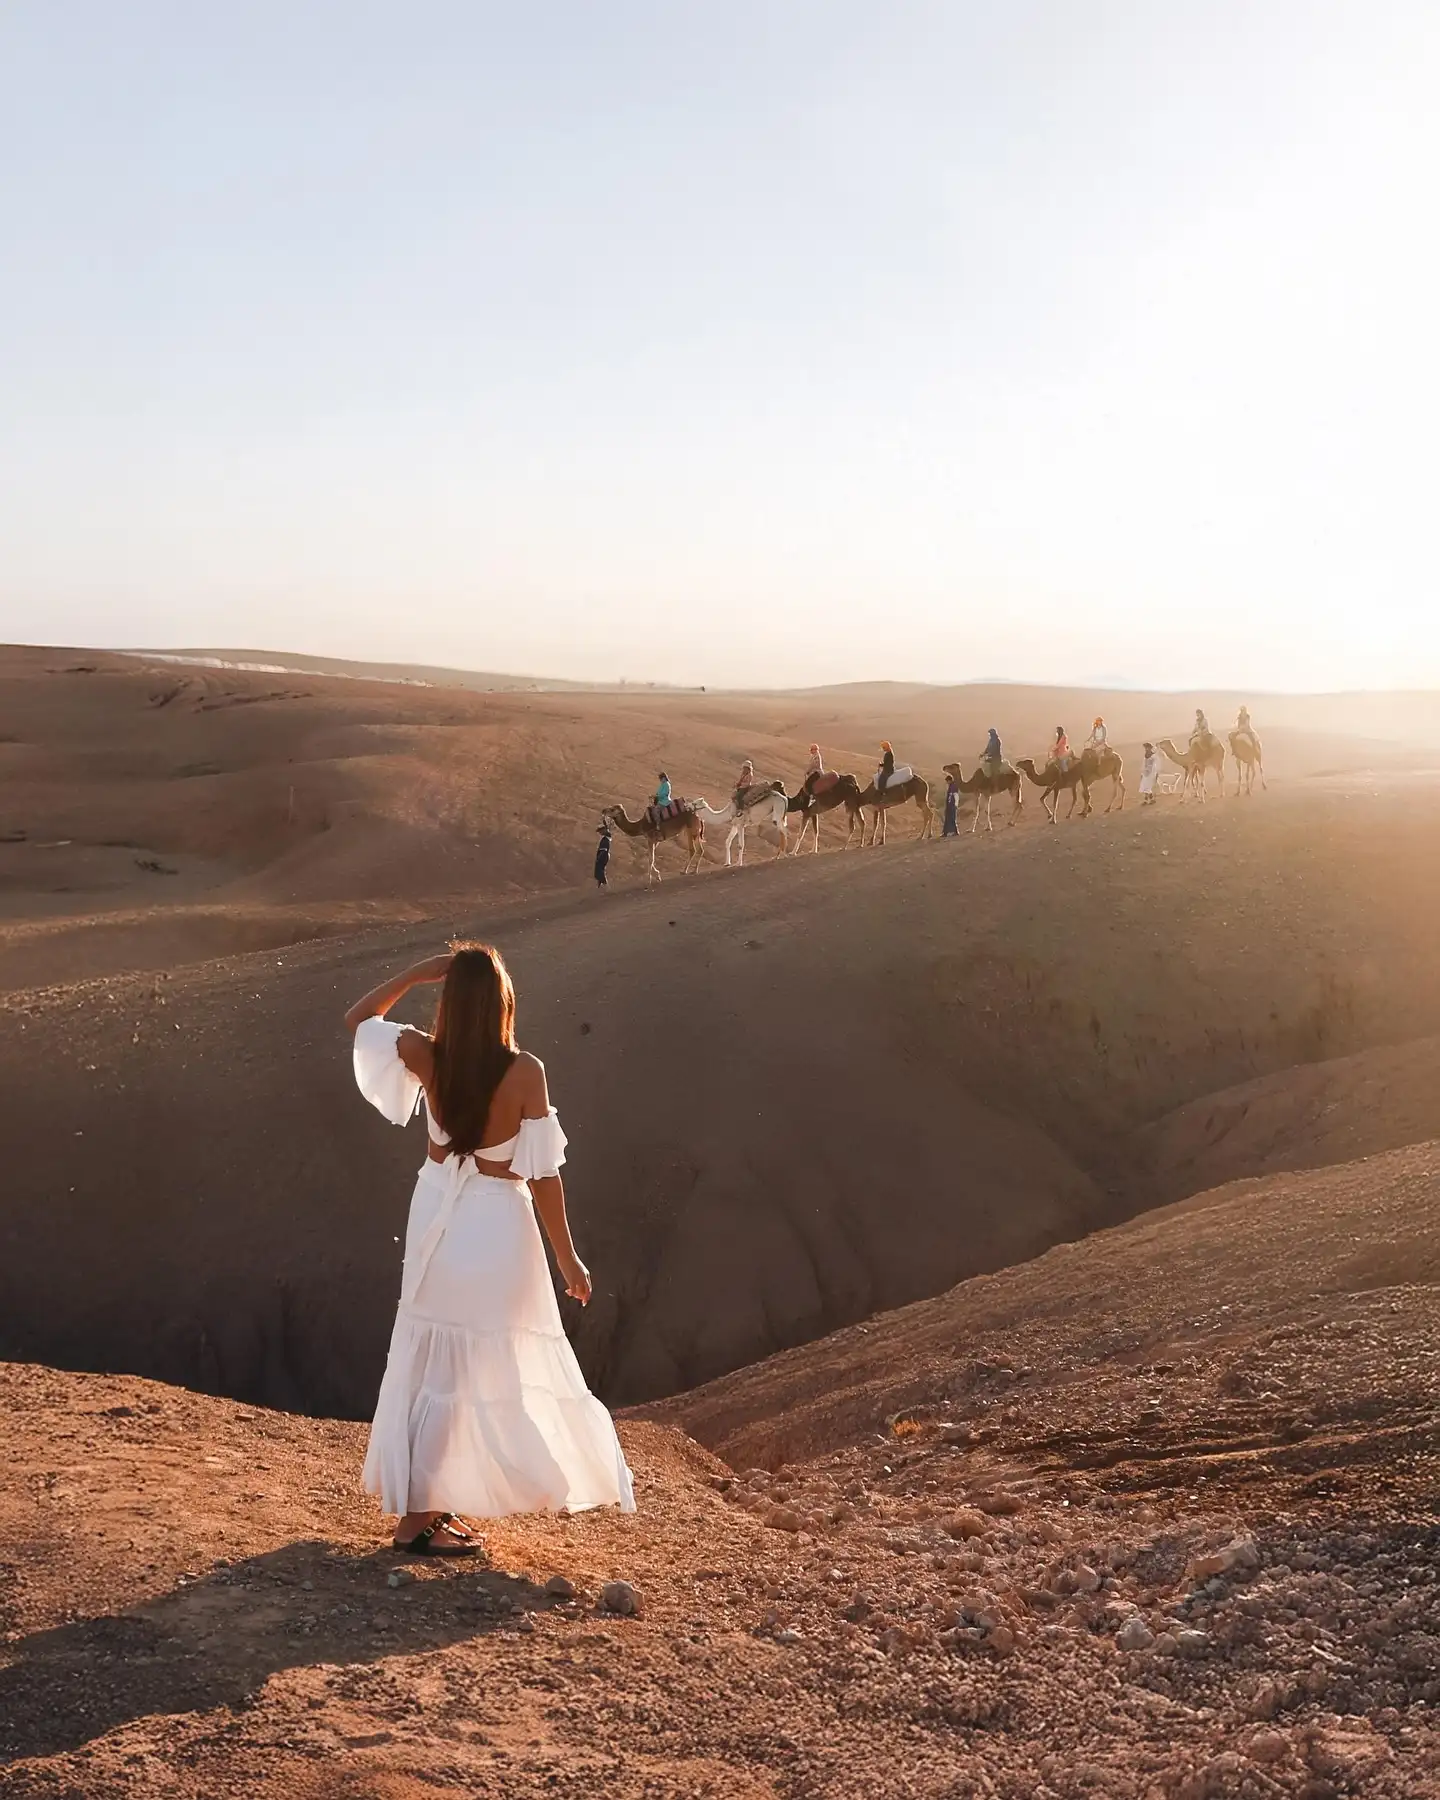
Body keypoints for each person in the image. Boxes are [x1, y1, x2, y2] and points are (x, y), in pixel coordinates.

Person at [345, 944, 634, 1554]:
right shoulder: (525, 1072)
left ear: (450, 1002)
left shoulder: (426, 1054)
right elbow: (544, 1175)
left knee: (437, 1359)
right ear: (503, 1003)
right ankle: (417, 1519)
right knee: (474, 1363)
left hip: (435, 1219)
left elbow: (359, 1019)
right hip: (498, 1224)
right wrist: (568, 1258)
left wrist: (418, 972)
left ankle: (428, 1507)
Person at [593, 821, 612, 887]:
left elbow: (604, 850)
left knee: (599, 871)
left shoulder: (606, 839)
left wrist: (599, 858)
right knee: (600, 871)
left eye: (600, 831)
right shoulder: (606, 838)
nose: (600, 833)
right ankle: (601, 886)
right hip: (604, 855)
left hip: (603, 855)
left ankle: (605, 886)